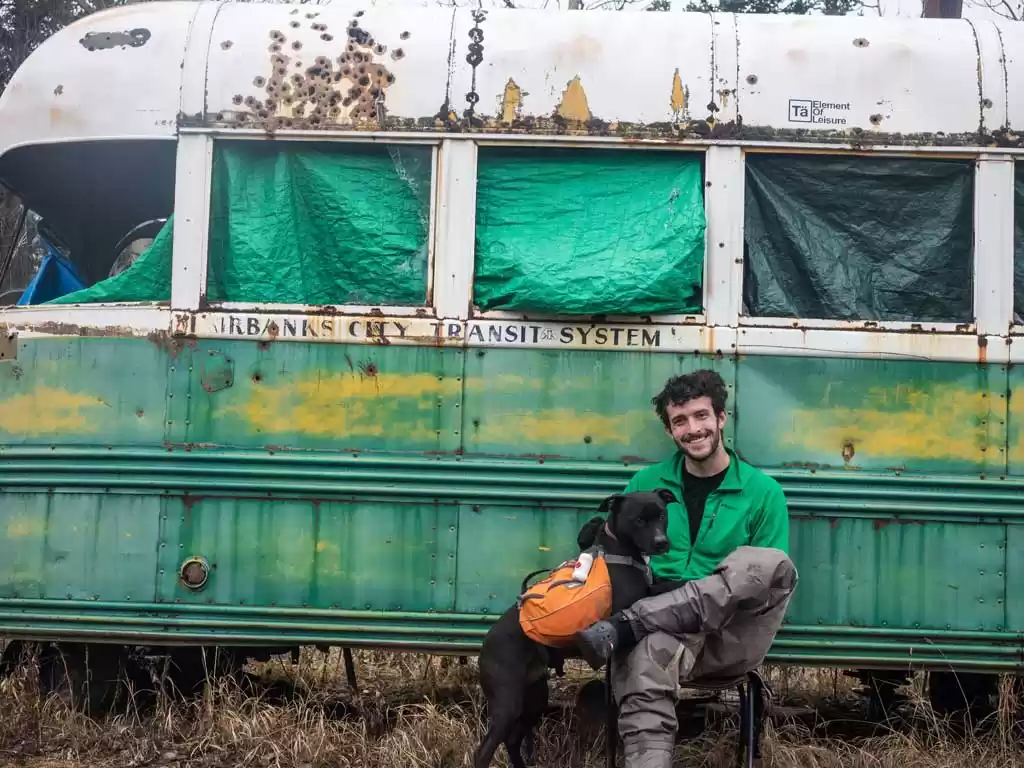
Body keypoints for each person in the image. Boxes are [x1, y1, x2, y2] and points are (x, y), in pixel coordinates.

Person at [574, 369, 798, 768]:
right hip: (664, 634)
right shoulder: (646, 484)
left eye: (700, 416)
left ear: (721, 419)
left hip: (726, 635)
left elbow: (761, 584)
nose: (693, 429)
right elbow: (618, 559)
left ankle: (629, 625)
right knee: (645, 660)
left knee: (768, 563)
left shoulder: (764, 492)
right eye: (680, 421)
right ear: (669, 430)